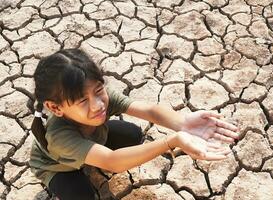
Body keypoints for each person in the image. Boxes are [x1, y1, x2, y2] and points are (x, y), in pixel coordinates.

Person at [29, 49, 239, 200]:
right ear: (55, 108)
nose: (97, 105)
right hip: (59, 168)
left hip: (91, 139)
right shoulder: (59, 137)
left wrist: (182, 122)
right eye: (83, 101)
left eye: (99, 90)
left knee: (132, 134)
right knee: (82, 195)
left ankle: (89, 157)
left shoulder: (97, 98)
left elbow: (148, 110)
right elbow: (112, 162)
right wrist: (172, 141)